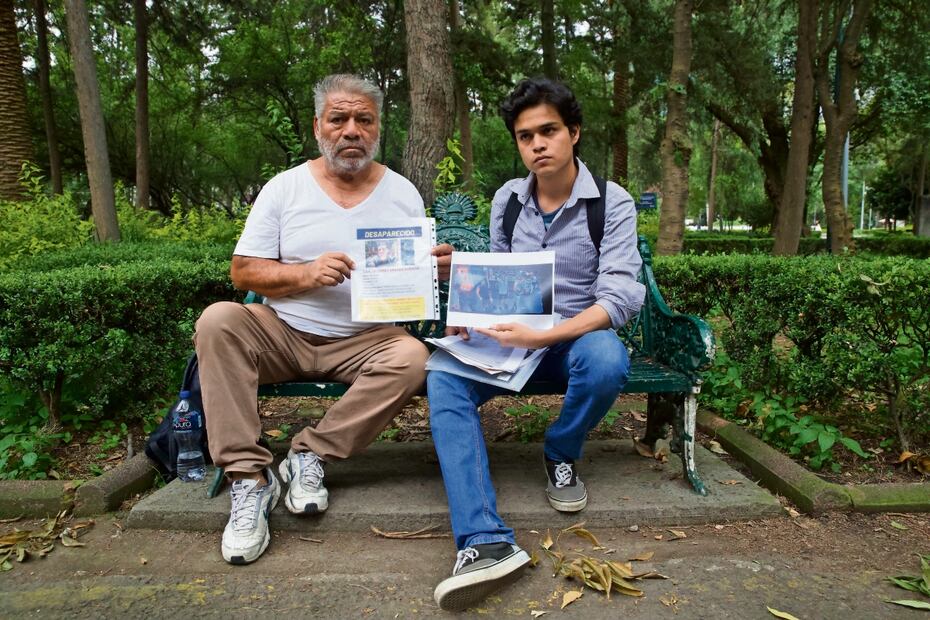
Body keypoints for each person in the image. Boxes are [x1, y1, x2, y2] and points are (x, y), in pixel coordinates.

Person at [194, 74, 452, 566]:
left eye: (364, 120)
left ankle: (310, 455)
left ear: (377, 129)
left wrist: (432, 271)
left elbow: (411, 294)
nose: (351, 130)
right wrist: (306, 274)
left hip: (365, 338)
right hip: (284, 332)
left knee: (413, 356)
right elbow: (242, 270)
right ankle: (249, 481)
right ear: (319, 126)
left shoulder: (403, 193)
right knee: (217, 321)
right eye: (339, 119)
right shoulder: (284, 188)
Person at [428, 78, 645, 611]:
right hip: (513, 346)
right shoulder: (508, 199)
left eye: (548, 131)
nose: (538, 145)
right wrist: (469, 309)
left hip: (572, 345)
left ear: (573, 132)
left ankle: (561, 451)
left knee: (607, 357)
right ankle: (484, 541)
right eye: (526, 137)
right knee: (442, 375)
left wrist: (546, 333)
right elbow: (501, 277)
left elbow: (618, 299)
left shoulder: (610, 203)